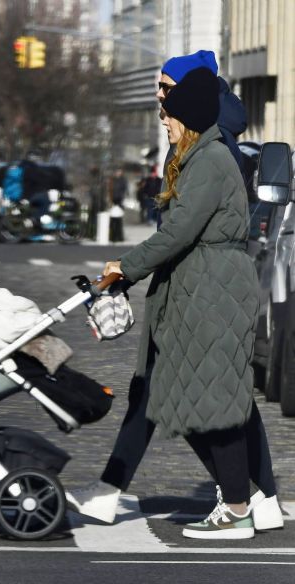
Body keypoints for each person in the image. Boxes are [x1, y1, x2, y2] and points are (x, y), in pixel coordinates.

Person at [67, 62, 282, 539]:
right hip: (195, 289)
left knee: (211, 402)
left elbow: (181, 230)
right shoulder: (194, 156)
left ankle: (242, 506)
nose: (162, 116)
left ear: (188, 114)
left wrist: (126, 265)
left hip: (211, 292)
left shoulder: (209, 161)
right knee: (191, 400)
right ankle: (244, 500)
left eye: (169, 109)